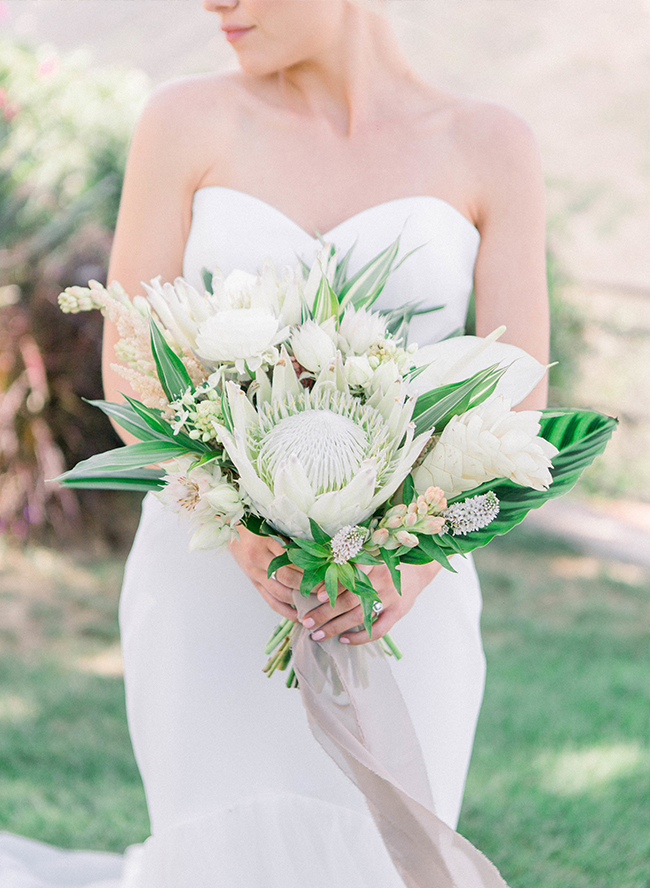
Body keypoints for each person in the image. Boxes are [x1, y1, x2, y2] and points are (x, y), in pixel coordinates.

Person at [0, 1, 549, 885]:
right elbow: (132, 364)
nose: (215, 2)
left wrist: (408, 565)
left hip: (409, 596)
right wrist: (244, 536)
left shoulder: (490, 143)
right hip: (205, 576)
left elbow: (521, 398)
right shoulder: (185, 119)